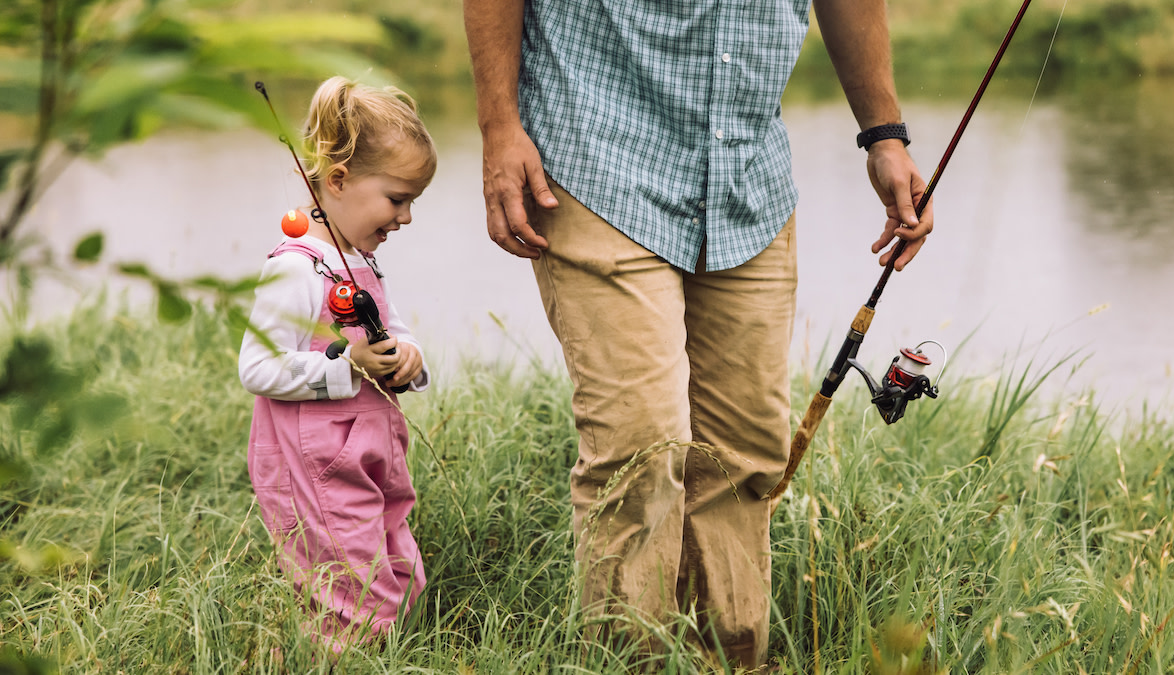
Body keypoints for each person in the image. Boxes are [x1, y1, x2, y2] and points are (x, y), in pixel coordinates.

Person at [464, 0, 934, 668]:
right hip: (596, 158)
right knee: (640, 450)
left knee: (744, 457)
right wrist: (499, 124)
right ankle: (631, 662)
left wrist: (885, 134)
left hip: (748, 181)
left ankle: (730, 660)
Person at [238, 75, 436, 653]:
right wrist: (346, 366)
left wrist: (408, 358)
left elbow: (392, 332)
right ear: (340, 180)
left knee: (400, 573)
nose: (404, 218)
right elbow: (257, 367)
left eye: (412, 203)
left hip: (375, 453)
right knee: (352, 598)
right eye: (397, 199)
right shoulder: (296, 267)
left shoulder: (360, 259)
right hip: (317, 464)